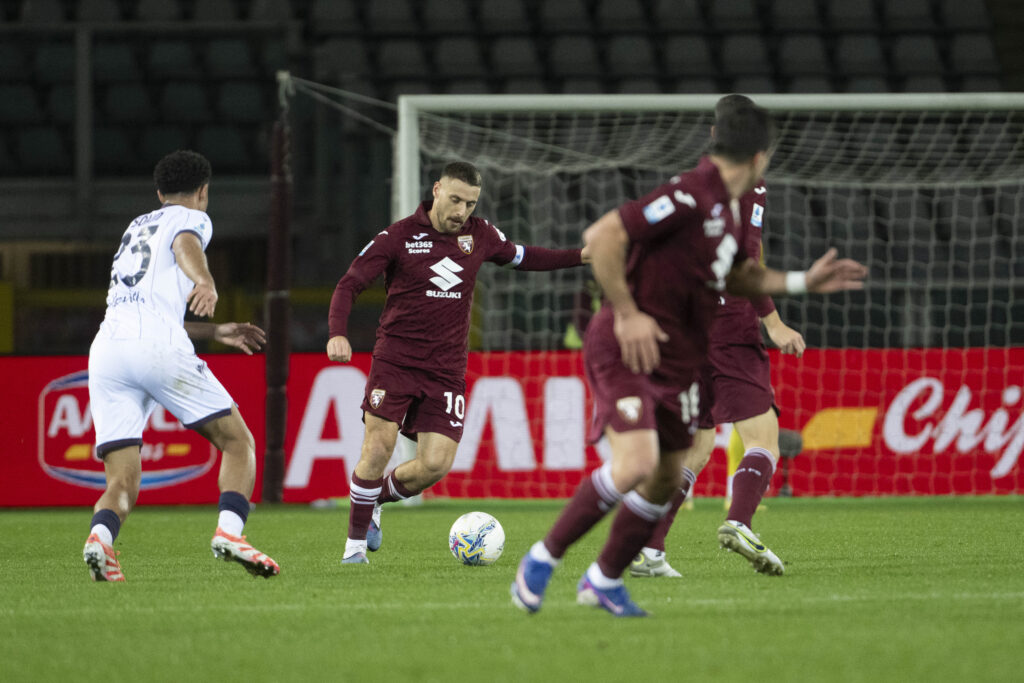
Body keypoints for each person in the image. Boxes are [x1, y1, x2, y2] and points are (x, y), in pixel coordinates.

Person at [511, 102, 866, 617]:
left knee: (669, 473)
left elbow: (740, 275)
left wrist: (799, 283)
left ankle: (604, 580)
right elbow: (603, 236)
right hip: (626, 343)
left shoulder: (729, 206)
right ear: (760, 156)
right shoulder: (690, 193)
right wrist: (627, 312)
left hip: (679, 351)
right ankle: (541, 561)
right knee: (637, 464)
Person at [327, 160, 587, 564]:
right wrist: (337, 332)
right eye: (454, 200)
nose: (461, 211)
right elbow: (351, 282)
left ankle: (371, 499)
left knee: (434, 465)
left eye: (469, 203)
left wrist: (581, 257)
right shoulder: (399, 236)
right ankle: (354, 550)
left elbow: (525, 256)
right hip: (395, 362)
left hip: (446, 371)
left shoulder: (479, 235)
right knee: (379, 447)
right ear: (436, 190)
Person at [83, 150, 280, 582]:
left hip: (107, 353)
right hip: (155, 348)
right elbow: (185, 244)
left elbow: (148, 309)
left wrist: (215, 331)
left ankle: (101, 538)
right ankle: (231, 533)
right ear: (203, 191)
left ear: (158, 192)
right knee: (238, 442)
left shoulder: (135, 226)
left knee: (123, 478)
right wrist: (205, 280)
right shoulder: (191, 218)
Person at [631, 94, 805, 579]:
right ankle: (739, 521)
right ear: (759, 149)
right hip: (728, 324)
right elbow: (745, 260)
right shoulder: (750, 184)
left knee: (698, 445)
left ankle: (650, 551)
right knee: (763, 439)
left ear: (713, 135)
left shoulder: (684, 186)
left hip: (684, 326)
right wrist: (772, 321)